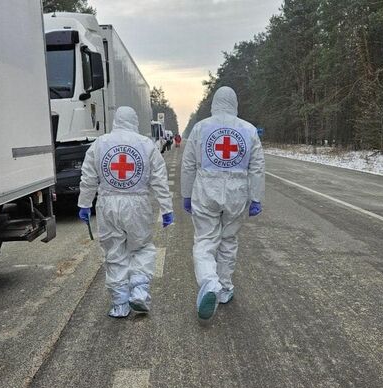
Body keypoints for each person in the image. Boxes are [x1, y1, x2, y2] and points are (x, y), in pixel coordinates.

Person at [78, 106, 174, 318]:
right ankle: (139, 291)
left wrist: (84, 204)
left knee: (114, 251)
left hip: (108, 204)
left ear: (116, 120)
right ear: (134, 121)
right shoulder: (146, 144)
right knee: (141, 247)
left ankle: (120, 303)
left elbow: (88, 177)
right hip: (138, 204)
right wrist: (166, 208)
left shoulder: (100, 143)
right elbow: (159, 179)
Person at [181, 87, 265, 320]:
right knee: (228, 240)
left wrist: (186, 193)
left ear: (215, 103)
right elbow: (257, 167)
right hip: (237, 193)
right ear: (235, 103)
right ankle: (225, 288)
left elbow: (188, 164)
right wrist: (256, 197)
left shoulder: (201, 128)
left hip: (206, 190)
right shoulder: (248, 130)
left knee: (205, 241)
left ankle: (210, 283)